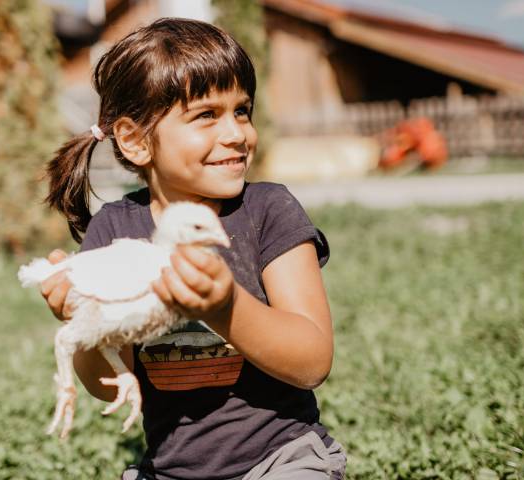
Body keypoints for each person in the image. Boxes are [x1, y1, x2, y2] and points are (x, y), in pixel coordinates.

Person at [40, 17, 346, 480]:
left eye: (242, 110)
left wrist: (225, 308)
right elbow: (106, 387)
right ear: (135, 141)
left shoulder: (269, 211)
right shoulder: (115, 228)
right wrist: (84, 319)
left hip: (282, 460)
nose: (236, 133)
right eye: (206, 115)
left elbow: (312, 360)